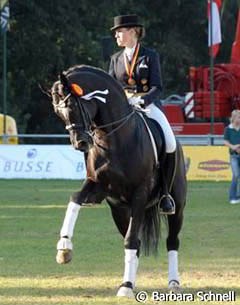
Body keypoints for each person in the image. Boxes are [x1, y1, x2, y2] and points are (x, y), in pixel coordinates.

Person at [109, 14, 176, 214]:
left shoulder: (149, 55)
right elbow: (112, 87)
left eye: (119, 32)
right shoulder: (115, 59)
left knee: (170, 142)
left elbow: (158, 86)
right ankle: (99, 182)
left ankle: (165, 194)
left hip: (147, 105)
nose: (116, 36)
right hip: (123, 107)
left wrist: (143, 99)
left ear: (133, 31)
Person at [224, 109, 240, 204]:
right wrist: (234, 147)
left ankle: (238, 196)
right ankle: (232, 197)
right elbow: (225, 141)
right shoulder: (228, 129)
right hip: (234, 156)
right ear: (234, 118)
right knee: (236, 175)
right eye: (238, 117)